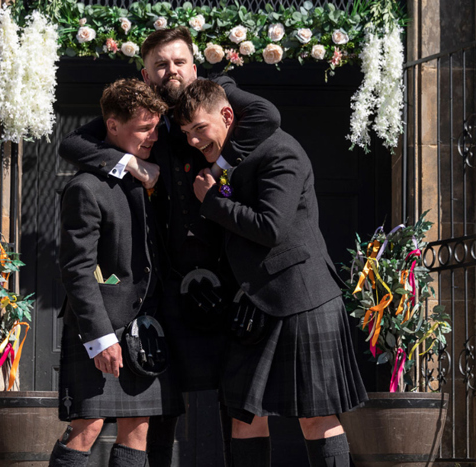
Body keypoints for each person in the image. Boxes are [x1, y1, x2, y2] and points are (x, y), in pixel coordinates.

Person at [58, 27, 281, 466]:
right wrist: (130, 164)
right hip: (161, 288)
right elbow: (72, 143)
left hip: (226, 280)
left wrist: (219, 163)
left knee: (239, 403)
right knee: (153, 410)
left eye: (179, 62)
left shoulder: (219, 94)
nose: (171, 71)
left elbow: (268, 117)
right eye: (160, 64)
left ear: (194, 67)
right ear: (145, 74)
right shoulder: (141, 115)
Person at [177, 79, 368, 467]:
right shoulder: (230, 161)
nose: (195, 141)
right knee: (244, 417)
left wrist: (212, 201)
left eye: (200, 128)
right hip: (255, 305)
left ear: (227, 114)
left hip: (302, 299)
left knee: (316, 416)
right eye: (187, 134)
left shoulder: (281, 152)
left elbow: (270, 227)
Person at [50, 79, 184, 467]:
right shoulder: (86, 187)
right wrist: (100, 337)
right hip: (104, 327)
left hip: (146, 330)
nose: (154, 137)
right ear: (111, 126)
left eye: (156, 127)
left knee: (138, 427)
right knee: (86, 427)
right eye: (144, 128)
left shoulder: (146, 179)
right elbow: (76, 271)